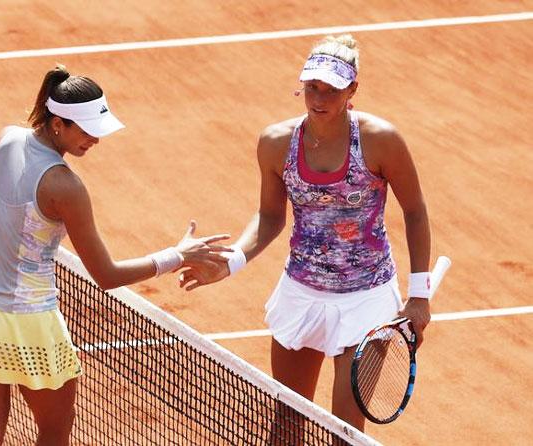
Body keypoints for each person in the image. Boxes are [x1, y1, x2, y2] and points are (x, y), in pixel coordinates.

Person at [0, 64, 231, 446]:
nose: (96, 139)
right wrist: (176, 255)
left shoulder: (4, 139)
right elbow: (106, 275)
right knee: (56, 430)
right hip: (27, 325)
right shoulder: (65, 186)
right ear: (58, 122)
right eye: (88, 130)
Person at [179, 34, 432, 438]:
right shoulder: (276, 143)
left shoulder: (380, 140)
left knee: (345, 431)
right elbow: (269, 215)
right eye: (312, 86)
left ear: (353, 90)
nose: (319, 97)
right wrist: (234, 260)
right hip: (302, 293)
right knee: (288, 425)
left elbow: (415, 211)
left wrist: (419, 294)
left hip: (365, 299)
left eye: (332, 88)